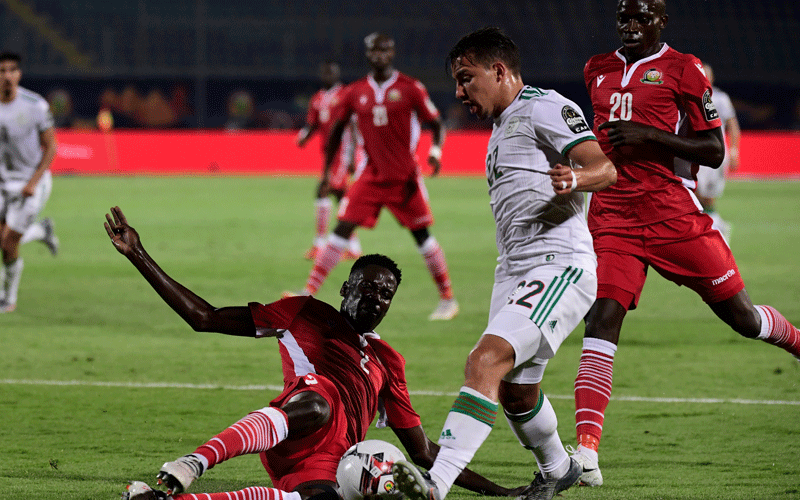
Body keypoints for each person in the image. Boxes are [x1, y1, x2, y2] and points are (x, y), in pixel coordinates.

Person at [104, 206, 521, 500]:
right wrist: (139, 254)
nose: (376, 298)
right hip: (298, 421)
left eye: (386, 294)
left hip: (333, 463)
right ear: (345, 288)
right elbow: (204, 317)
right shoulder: (304, 312)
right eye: (368, 287)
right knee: (323, 394)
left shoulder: (388, 362)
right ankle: (193, 463)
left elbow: (425, 453)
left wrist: (500, 491)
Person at [569, 0, 800, 487]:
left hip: (672, 212)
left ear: (661, 22)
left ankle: (796, 341)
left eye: (641, 19)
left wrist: (647, 134)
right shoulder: (597, 68)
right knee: (603, 317)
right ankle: (586, 453)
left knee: (743, 318)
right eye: (623, 19)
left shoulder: (685, 69)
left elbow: (714, 150)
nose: (631, 27)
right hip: (613, 214)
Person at [392, 27, 617, 500]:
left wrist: (575, 176)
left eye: (466, 78)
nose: (458, 91)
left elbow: (605, 167)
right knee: (516, 390)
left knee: (484, 360)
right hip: (514, 268)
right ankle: (558, 468)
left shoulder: (543, 106)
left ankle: (436, 483)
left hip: (560, 264)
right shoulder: (501, 125)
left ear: (499, 71)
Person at [288, 33, 458, 322]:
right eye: (374, 50)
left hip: (404, 178)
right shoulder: (355, 92)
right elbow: (336, 133)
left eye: (385, 50)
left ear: (392, 53)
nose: (379, 55)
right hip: (370, 177)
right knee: (340, 230)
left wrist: (437, 152)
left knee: (423, 238)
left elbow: (436, 123)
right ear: (367, 54)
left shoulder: (410, 88)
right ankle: (308, 293)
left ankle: (447, 299)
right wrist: (329, 172)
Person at [0, 51, 59, 313]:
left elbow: (50, 147)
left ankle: (8, 299)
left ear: (19, 74)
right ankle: (42, 231)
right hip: (3, 183)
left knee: (9, 241)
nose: (7, 76)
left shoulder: (34, 105)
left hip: (32, 182)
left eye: (11, 70)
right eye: (1, 71)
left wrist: (33, 183)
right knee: (3, 240)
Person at [296, 61, 363, 261]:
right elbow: (312, 123)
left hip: (343, 152)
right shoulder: (317, 99)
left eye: (331, 72)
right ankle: (353, 247)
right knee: (341, 197)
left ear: (337, 74)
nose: (328, 75)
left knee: (325, 191)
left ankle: (320, 244)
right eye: (325, 72)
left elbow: (354, 124)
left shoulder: (345, 94)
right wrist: (304, 137)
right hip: (329, 154)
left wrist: (352, 156)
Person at [694, 62, 741, 244]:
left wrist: (735, 151)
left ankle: (717, 229)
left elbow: (733, 126)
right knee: (694, 193)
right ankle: (712, 230)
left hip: (716, 154)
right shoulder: (688, 97)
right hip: (696, 152)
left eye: (706, 75)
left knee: (707, 197)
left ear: (711, 78)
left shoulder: (720, 98)